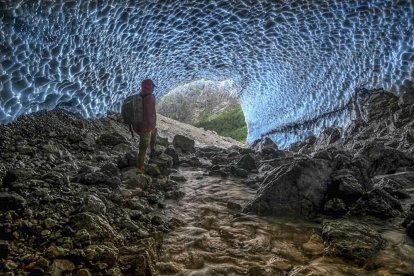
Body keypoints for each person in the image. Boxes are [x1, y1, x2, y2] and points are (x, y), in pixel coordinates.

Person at [133, 79, 158, 174]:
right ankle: (140, 168)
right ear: (150, 86)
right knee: (143, 147)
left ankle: (152, 151)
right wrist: (151, 125)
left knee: (154, 131)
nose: (153, 89)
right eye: (153, 87)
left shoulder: (138, 96)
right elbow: (150, 113)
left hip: (136, 125)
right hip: (145, 127)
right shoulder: (150, 97)